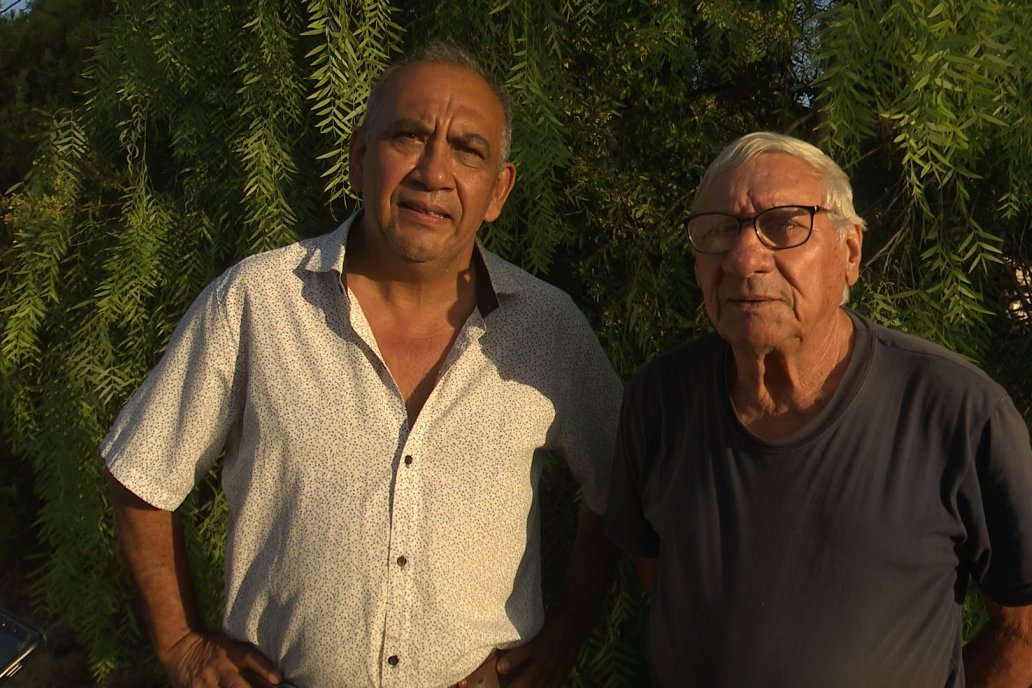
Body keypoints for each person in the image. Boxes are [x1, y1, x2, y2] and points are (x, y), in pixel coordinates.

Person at [102, 41, 621, 688]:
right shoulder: (256, 304)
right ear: (359, 157)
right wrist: (181, 644)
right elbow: (142, 470)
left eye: (468, 149)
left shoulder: (550, 330)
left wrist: (569, 625)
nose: (434, 172)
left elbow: (621, 483)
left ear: (499, 190)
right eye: (408, 135)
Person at [604, 131, 1032, 687]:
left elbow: (1022, 630)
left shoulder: (958, 413)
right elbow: (664, 585)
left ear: (849, 252)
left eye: (783, 225)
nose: (743, 257)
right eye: (720, 230)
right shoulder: (658, 402)